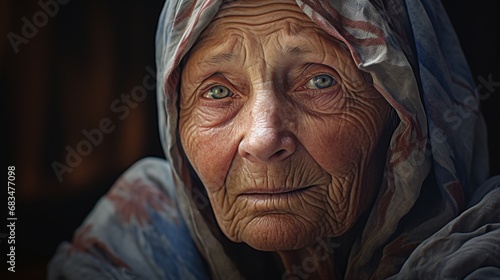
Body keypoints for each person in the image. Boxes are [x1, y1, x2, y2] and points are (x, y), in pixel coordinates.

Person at [48, 0, 500, 279]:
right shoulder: (136, 238)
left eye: (320, 82)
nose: (263, 140)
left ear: (408, 113)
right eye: (219, 91)